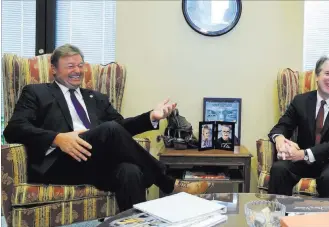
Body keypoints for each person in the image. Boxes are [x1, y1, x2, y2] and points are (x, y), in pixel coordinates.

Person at [3, 44, 212, 212]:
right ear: (54, 69)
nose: (77, 71)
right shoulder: (36, 92)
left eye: (80, 65)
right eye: (69, 66)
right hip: (60, 164)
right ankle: (167, 182)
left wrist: (151, 117)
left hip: (97, 164)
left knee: (130, 171)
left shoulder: (96, 98)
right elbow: (13, 129)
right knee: (109, 129)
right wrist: (57, 138)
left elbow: (121, 129)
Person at [267, 54, 329, 203]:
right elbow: (281, 127)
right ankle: (280, 218)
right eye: (327, 73)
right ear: (317, 76)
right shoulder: (300, 101)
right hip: (305, 161)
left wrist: (302, 154)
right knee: (279, 169)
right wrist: (279, 139)